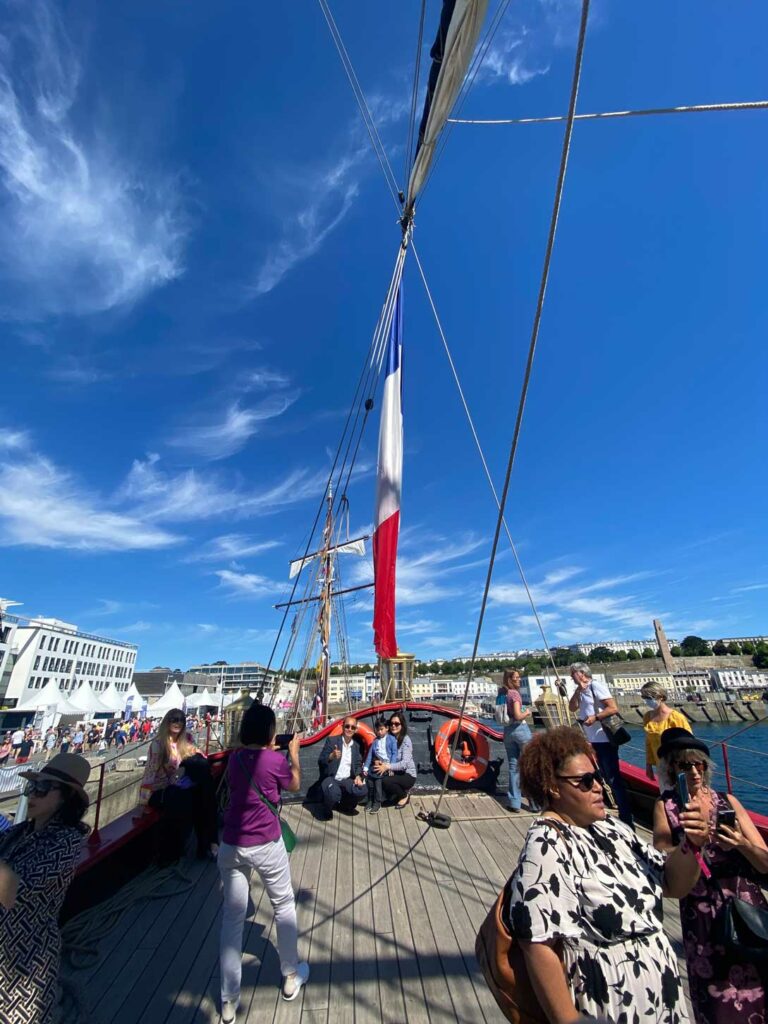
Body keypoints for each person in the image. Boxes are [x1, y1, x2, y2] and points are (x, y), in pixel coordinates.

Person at [505, 727, 707, 1024]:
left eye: (597, 777)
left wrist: (692, 843)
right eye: (586, 781)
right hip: (612, 1004)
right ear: (553, 787)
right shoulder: (547, 844)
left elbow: (672, 883)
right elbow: (536, 943)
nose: (599, 786)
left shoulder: (612, 828)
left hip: (661, 998)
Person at [652, 727, 768, 1024]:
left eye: (699, 764)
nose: (694, 771)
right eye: (684, 765)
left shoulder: (728, 801)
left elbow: (765, 862)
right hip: (703, 917)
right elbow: (662, 858)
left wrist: (741, 843)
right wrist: (692, 843)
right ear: (671, 769)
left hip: (747, 909)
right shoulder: (666, 807)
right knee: (718, 1002)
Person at [218, 703, 308, 1020]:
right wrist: (293, 752)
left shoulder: (234, 759)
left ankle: (228, 1000)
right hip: (266, 844)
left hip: (231, 844)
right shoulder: (273, 759)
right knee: (283, 905)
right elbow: (294, 783)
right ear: (270, 731)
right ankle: (290, 975)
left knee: (232, 918)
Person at [0, 752, 91, 1023]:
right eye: (31, 788)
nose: (32, 795)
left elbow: (16, 890)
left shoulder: (66, 843)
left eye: (41, 789)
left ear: (66, 798)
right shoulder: (17, 834)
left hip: (23, 960)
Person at [140, 708, 217, 864]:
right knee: (196, 798)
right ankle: (207, 844)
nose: (178, 723)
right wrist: (144, 801)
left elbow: (200, 756)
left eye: (181, 720)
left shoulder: (186, 739)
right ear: (167, 722)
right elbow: (150, 772)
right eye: (174, 719)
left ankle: (207, 843)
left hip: (180, 785)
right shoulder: (159, 744)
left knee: (204, 790)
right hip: (161, 789)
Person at [568, 662, 634, 827]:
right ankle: (601, 811)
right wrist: (577, 692)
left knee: (613, 778)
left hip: (604, 738)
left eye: (573, 673)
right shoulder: (581, 691)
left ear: (581, 673)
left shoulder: (596, 686)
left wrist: (595, 718)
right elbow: (572, 708)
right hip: (592, 739)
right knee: (602, 776)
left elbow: (612, 708)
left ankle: (627, 818)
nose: (571, 677)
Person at [317, 716, 366, 820]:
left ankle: (343, 806)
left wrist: (358, 776)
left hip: (346, 780)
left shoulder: (356, 746)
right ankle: (327, 808)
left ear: (355, 730)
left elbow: (357, 764)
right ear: (343, 726)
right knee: (334, 794)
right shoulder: (332, 741)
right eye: (347, 726)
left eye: (352, 727)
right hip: (331, 778)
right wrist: (331, 756)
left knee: (362, 790)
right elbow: (321, 760)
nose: (349, 729)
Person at [640, 682, 691, 780]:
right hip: (660, 766)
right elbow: (649, 743)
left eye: (649, 697)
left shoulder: (676, 718)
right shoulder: (647, 717)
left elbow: (688, 744)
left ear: (661, 697)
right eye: (644, 697)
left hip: (678, 766)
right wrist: (649, 764)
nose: (646, 700)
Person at [502, 669, 535, 813]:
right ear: (510, 679)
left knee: (513, 767)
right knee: (530, 766)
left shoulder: (501, 694)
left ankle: (514, 803)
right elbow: (517, 715)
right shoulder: (514, 694)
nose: (519, 680)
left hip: (507, 732)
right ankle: (535, 804)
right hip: (520, 730)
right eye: (516, 678)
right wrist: (527, 712)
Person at [372, 713, 416, 809]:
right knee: (376, 774)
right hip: (394, 771)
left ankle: (404, 795)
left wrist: (387, 766)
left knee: (386, 781)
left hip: (407, 774)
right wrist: (376, 760)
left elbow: (404, 764)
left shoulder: (406, 740)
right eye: (391, 723)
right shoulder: (387, 738)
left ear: (402, 725)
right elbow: (379, 753)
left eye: (397, 724)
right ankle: (381, 798)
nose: (393, 726)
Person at [362, 716, 397, 814]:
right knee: (369, 781)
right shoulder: (375, 741)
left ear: (387, 728)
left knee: (377, 783)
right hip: (377, 764)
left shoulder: (391, 739)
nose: (379, 732)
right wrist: (366, 767)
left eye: (381, 729)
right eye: (378, 730)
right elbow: (370, 755)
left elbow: (394, 754)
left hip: (386, 765)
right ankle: (370, 800)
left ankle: (377, 802)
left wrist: (391, 767)